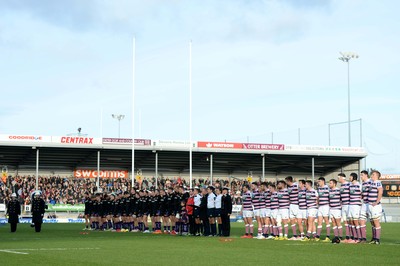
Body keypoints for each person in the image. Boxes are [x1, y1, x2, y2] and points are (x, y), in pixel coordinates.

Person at [368, 170, 383, 245]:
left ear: (377, 176)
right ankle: (373, 238)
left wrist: (377, 201)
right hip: (370, 205)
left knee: (376, 222)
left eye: (373, 174)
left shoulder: (378, 182)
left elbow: (380, 192)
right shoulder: (371, 182)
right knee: (372, 222)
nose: (372, 175)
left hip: (375, 206)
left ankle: (377, 239)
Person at [348, 173, 362, 243]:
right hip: (350, 205)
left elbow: (362, 193)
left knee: (356, 221)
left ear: (354, 177)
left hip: (356, 205)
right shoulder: (350, 185)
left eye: (350, 177)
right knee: (351, 221)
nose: (349, 178)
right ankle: (354, 237)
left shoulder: (359, 185)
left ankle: (359, 237)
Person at [315, 177, 331, 242]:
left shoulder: (327, 188)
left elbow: (330, 196)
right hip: (320, 207)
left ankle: (328, 236)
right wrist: (317, 202)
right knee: (319, 221)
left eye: (319, 181)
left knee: (327, 221)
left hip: (326, 206)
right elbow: (318, 197)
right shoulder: (318, 189)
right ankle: (317, 236)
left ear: (323, 181)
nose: (318, 183)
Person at [285, 176, 299, 240]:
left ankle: (301, 235)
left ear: (288, 180)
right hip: (291, 205)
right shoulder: (288, 187)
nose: (286, 182)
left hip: (297, 205)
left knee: (299, 221)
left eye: (286, 181)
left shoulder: (296, 185)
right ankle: (295, 235)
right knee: (292, 220)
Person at [338, 173, 351, 242]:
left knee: (350, 221)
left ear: (343, 178)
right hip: (343, 205)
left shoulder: (348, 184)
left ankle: (352, 236)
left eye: (339, 177)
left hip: (349, 205)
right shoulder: (341, 186)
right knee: (345, 221)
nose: (338, 179)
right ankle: (347, 236)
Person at [359, 170, 371, 243]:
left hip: (370, 204)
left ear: (366, 175)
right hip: (364, 204)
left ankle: (375, 238)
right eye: (360, 175)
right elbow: (361, 194)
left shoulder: (371, 182)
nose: (361, 177)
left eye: (362, 175)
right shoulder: (362, 184)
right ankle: (363, 238)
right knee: (361, 221)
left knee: (373, 222)